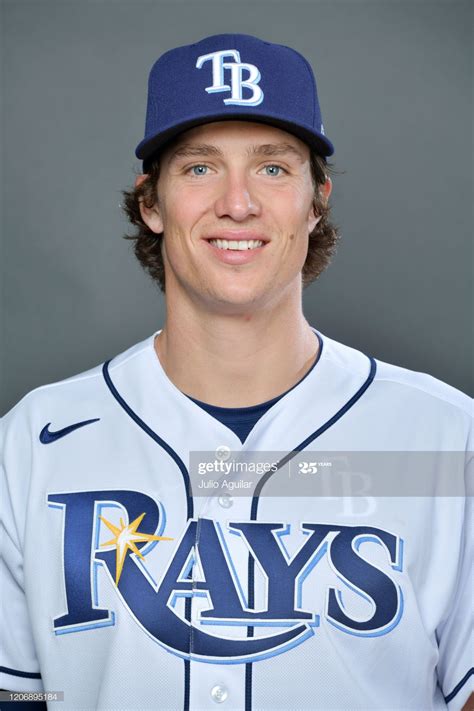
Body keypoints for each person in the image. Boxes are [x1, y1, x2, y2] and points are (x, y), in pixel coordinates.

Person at [1, 33, 472, 711]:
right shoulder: (33, 443)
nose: (238, 202)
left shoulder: (443, 439)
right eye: (199, 168)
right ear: (151, 203)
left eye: (274, 168)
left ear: (316, 202)